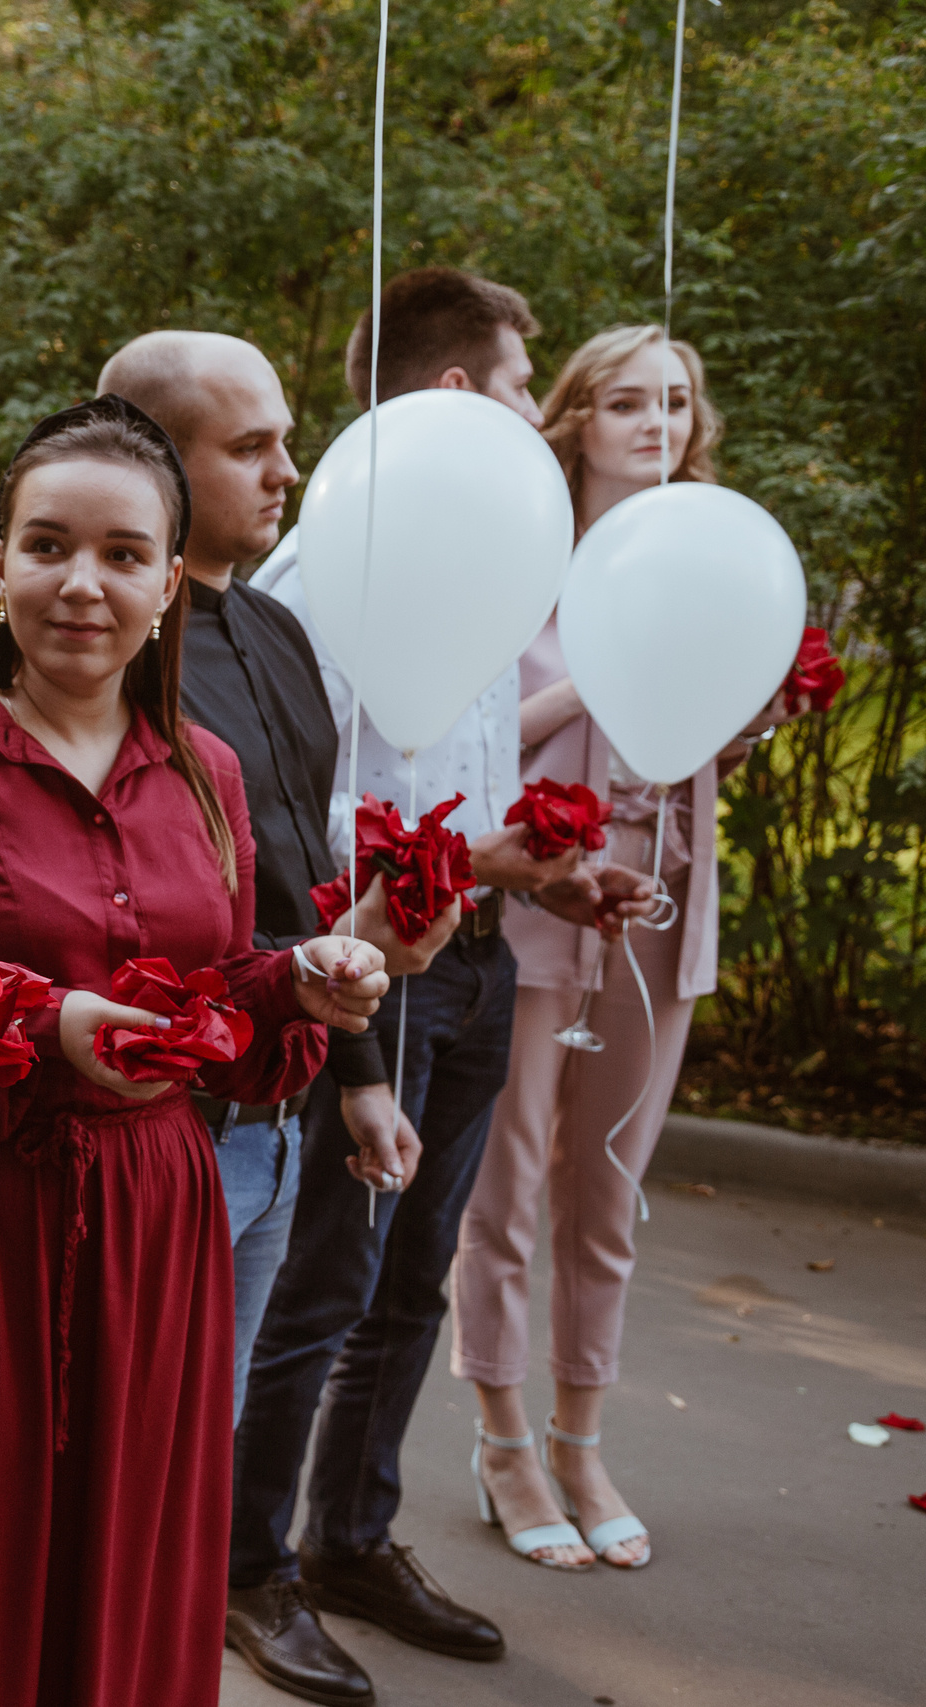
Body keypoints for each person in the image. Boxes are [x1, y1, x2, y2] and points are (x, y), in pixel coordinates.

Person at [0, 395, 392, 1707]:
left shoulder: (208, 771)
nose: (84, 583)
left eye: (124, 555)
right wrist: (39, 1022)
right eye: (49, 545)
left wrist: (301, 978)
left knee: (127, 1574)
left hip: (158, 1229)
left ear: (170, 580)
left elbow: (214, 1018)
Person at [227, 269, 657, 1707]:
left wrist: (541, 869)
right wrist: (478, 855)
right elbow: (285, 816)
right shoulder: (320, 565)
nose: (544, 413)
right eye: (530, 385)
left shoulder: (496, 550)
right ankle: (248, 1570)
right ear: (464, 393)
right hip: (370, 967)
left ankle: (352, 1536)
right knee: (328, 1280)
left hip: (474, 955)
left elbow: (458, 769)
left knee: (415, 1277)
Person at [453, 324, 797, 1573]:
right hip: (535, 908)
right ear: (577, 419)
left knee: (608, 1192)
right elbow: (482, 723)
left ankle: (581, 1435)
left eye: (677, 402)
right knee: (502, 1195)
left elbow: (702, 735)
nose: (658, 423)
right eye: (628, 403)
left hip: (655, 911)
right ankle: (500, 1440)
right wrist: (601, 669)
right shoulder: (523, 563)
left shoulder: (707, 559)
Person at [97, 330, 455, 1423]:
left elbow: (300, 886)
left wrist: (361, 1078)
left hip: (284, 1113)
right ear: (152, 459)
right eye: (250, 446)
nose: (286, 473)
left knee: (210, 1427)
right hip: (163, 1119)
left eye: (286, 442)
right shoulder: (106, 652)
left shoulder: (278, 630)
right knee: (136, 1430)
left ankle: (231, 1588)